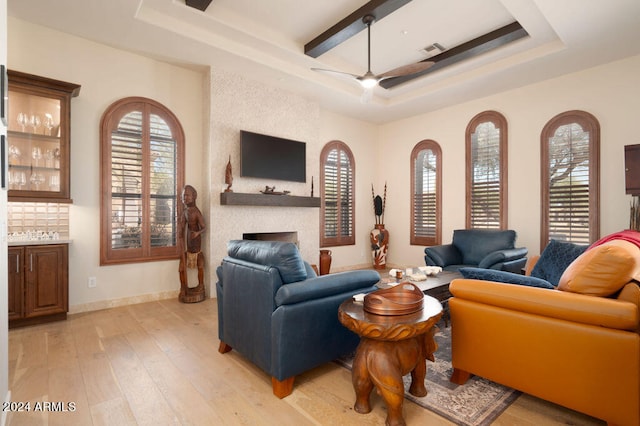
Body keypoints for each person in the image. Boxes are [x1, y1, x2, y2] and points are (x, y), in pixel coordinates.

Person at [178, 185, 206, 301]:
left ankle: (201, 285)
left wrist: (197, 233)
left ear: (194, 197)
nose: (185, 198)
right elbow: (182, 227)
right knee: (181, 268)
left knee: (200, 265)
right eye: (184, 196)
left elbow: (204, 227)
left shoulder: (196, 212)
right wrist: (180, 229)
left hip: (196, 245)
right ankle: (183, 287)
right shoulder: (185, 212)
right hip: (188, 245)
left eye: (187, 195)